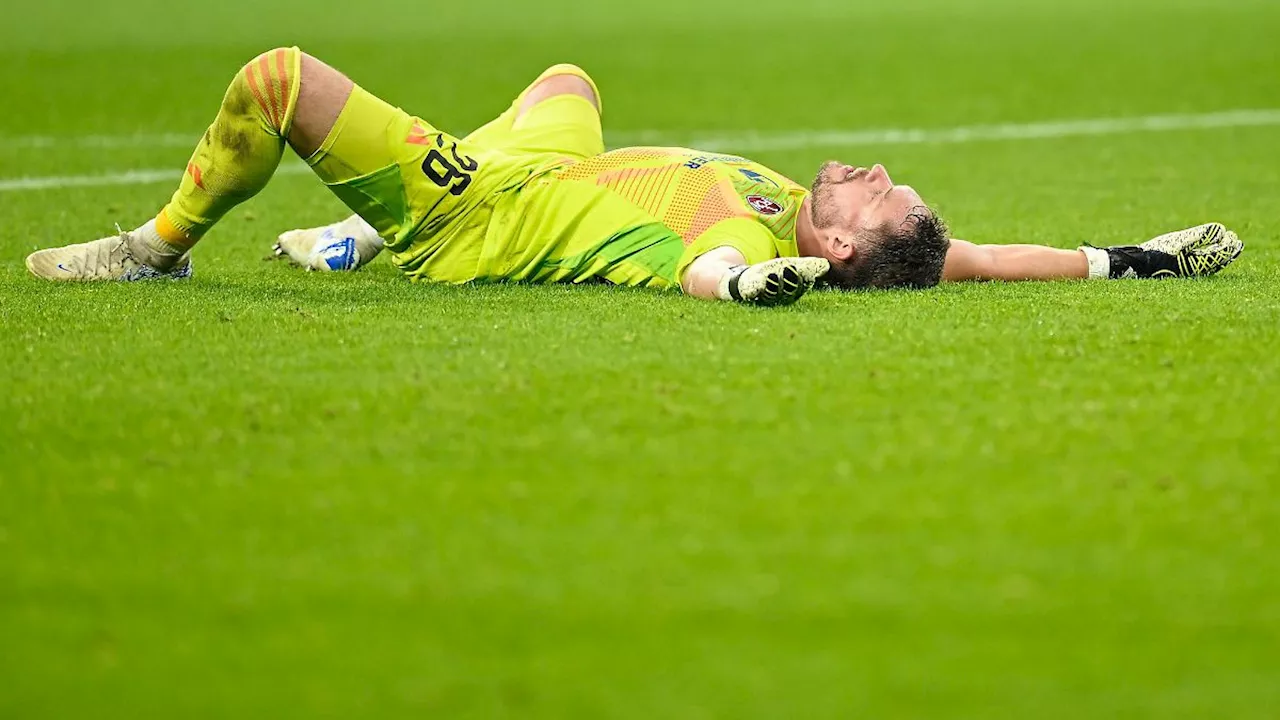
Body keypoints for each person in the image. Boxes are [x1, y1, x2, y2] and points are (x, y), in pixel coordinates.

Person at [25, 49, 1244, 306]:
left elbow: (703, 265)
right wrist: (1132, 256)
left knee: (279, 82)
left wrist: (739, 289)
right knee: (568, 76)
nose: (873, 171)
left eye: (873, 193)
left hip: (477, 207)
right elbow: (982, 256)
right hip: (557, 161)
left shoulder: (734, 232)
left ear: (832, 250)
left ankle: (156, 247)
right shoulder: (888, 247)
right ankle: (351, 241)